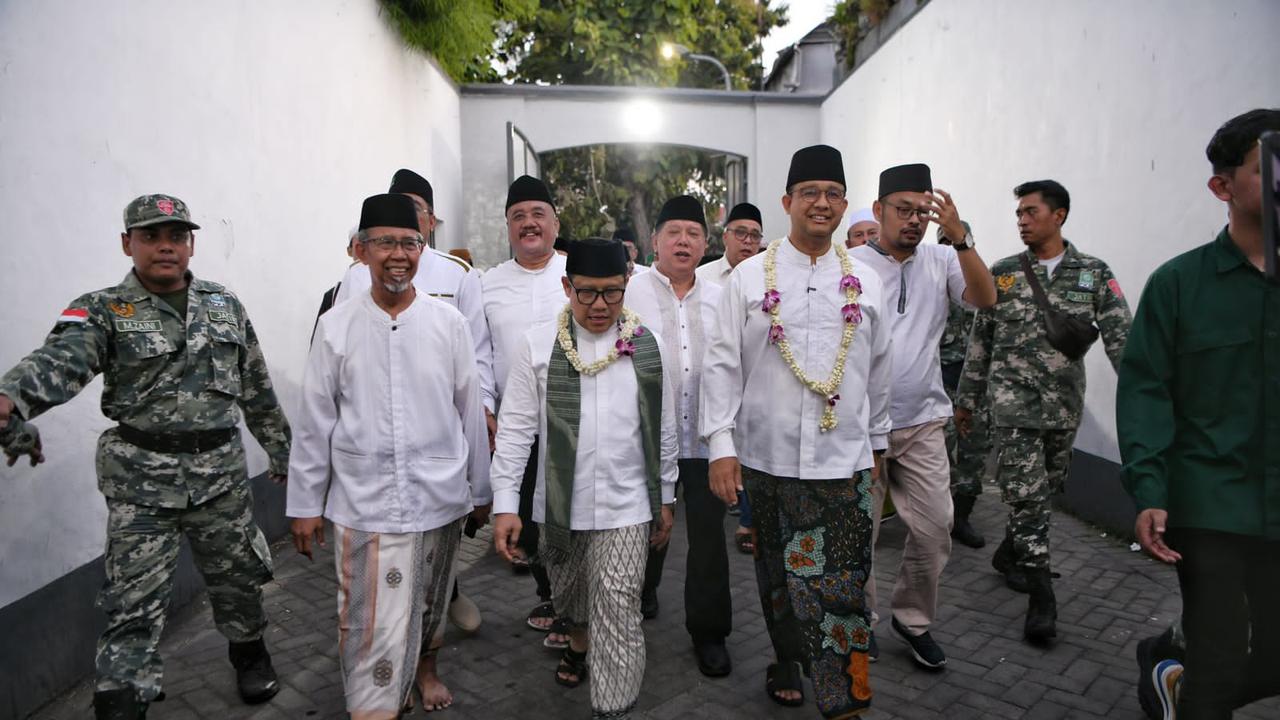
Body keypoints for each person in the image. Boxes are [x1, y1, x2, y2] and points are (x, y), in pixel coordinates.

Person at [0, 194, 291, 719]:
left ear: (191, 243)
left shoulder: (225, 305)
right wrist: (11, 399)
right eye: (152, 236)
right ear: (126, 243)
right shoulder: (103, 309)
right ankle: (122, 695)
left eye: (176, 236)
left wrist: (282, 450)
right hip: (141, 484)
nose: (165, 247)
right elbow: (59, 360)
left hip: (220, 477)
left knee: (239, 580)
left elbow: (257, 387)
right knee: (131, 601)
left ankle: (249, 653)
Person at [702, 144, 891, 717]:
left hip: (844, 463)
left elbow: (879, 371)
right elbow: (721, 365)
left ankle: (846, 704)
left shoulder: (868, 281)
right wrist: (721, 447)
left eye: (833, 194)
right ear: (787, 202)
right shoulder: (747, 279)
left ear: (845, 205)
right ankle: (786, 658)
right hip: (766, 459)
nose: (821, 203)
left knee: (840, 592)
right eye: (809, 192)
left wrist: (877, 445)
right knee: (780, 583)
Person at [287, 193, 492, 718]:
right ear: (360, 250)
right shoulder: (338, 326)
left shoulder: (449, 324)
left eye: (409, 242)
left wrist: (481, 491)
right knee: (367, 619)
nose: (397, 254)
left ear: (422, 248)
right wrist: (305, 505)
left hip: (439, 496)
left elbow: (469, 411)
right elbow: (314, 421)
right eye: (384, 243)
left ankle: (425, 672)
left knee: (428, 604)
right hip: (364, 503)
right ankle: (374, 707)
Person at [1118, 108, 1280, 719]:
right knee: (1219, 663)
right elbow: (1147, 390)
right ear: (1223, 187)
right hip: (1210, 502)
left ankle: (1168, 668)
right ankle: (1191, 682)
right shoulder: (1180, 284)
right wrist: (1150, 490)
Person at [490, 238, 678, 720]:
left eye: (612, 293)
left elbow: (664, 427)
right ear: (566, 286)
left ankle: (613, 709)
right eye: (587, 293)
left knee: (618, 607)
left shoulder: (644, 345)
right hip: (558, 507)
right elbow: (514, 430)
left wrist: (667, 495)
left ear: (627, 286)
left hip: (627, 505)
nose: (599, 306)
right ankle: (577, 639)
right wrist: (506, 504)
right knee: (570, 595)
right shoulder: (537, 345)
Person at [954, 179, 1131, 645]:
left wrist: (1142, 393)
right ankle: (1041, 599)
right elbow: (981, 341)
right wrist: (968, 400)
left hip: (1063, 408)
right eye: (1019, 214)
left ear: (1059, 215)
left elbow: (1121, 338)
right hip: (1011, 408)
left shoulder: (1093, 273)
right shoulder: (1004, 273)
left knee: (1045, 491)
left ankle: (1012, 552)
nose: (1022, 221)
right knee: (1027, 498)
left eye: (1031, 212)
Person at [852, 164, 997, 670]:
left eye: (923, 211)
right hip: (859, 430)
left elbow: (985, 297)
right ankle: (860, 617)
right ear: (879, 211)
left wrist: (961, 239)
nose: (913, 220)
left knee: (937, 528)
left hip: (922, 422)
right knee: (858, 533)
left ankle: (912, 619)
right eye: (903, 209)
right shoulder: (849, 264)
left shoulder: (941, 258)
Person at [626, 195, 733, 677]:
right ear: (655, 241)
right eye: (674, 233)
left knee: (709, 542)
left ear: (706, 244)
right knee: (651, 527)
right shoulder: (631, 294)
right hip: (649, 437)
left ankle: (709, 632)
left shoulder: (720, 297)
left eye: (693, 233)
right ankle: (643, 589)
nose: (683, 241)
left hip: (708, 440)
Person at [482, 175, 572, 647]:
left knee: (568, 517)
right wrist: (484, 406)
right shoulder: (487, 285)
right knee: (529, 519)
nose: (529, 223)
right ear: (508, 228)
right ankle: (551, 594)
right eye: (518, 216)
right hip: (518, 425)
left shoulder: (579, 275)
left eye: (538, 214)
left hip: (574, 423)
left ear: (556, 223)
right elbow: (478, 352)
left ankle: (572, 599)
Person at [936, 223, 990, 550]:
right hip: (938, 375)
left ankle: (963, 517)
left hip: (973, 378)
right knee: (939, 449)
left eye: (954, 240)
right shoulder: (927, 276)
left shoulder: (977, 275)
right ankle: (941, 514)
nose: (948, 246)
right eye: (943, 240)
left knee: (974, 449)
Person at [696, 202, 764, 286]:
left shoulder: (768, 280)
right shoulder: (700, 277)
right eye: (740, 232)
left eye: (755, 235)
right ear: (725, 237)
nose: (748, 240)